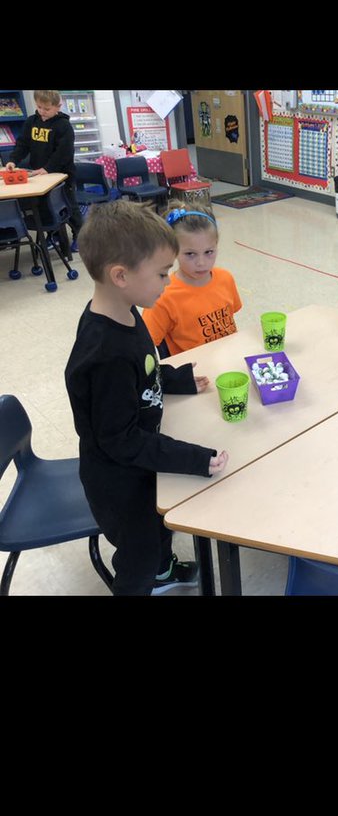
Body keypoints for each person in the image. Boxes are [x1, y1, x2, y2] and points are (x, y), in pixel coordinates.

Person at [65, 200, 227, 596]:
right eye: (161, 273)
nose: (168, 283)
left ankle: (164, 570)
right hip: (119, 480)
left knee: (159, 528)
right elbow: (121, 440)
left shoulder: (125, 310)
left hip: (139, 463)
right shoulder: (105, 353)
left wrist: (179, 379)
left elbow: (147, 364)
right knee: (138, 554)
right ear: (120, 275)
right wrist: (192, 458)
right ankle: (144, 579)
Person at [142, 203, 242, 356]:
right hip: (195, 374)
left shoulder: (225, 278)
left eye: (209, 252)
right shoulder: (162, 295)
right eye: (190, 254)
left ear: (217, 245)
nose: (201, 263)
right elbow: (144, 347)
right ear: (173, 250)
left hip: (229, 358)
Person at [4, 89, 83, 250]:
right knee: (45, 208)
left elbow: (64, 152)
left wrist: (48, 168)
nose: (42, 112)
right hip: (41, 175)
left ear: (58, 107)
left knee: (69, 207)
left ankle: (80, 237)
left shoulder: (64, 125)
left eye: (46, 109)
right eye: (39, 107)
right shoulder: (31, 122)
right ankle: (54, 236)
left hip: (63, 175)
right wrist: (13, 160)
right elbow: (22, 145)